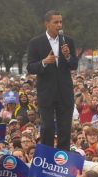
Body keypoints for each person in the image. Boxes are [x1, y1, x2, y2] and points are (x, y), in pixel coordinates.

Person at [27, 10, 78, 150]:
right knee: (47, 128)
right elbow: (30, 67)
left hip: (65, 92)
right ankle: (47, 162)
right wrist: (44, 62)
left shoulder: (68, 41)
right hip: (46, 93)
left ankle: (62, 164)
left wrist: (68, 56)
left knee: (65, 130)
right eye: (56, 22)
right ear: (47, 24)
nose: (59, 25)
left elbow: (74, 65)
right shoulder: (36, 43)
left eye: (61, 22)